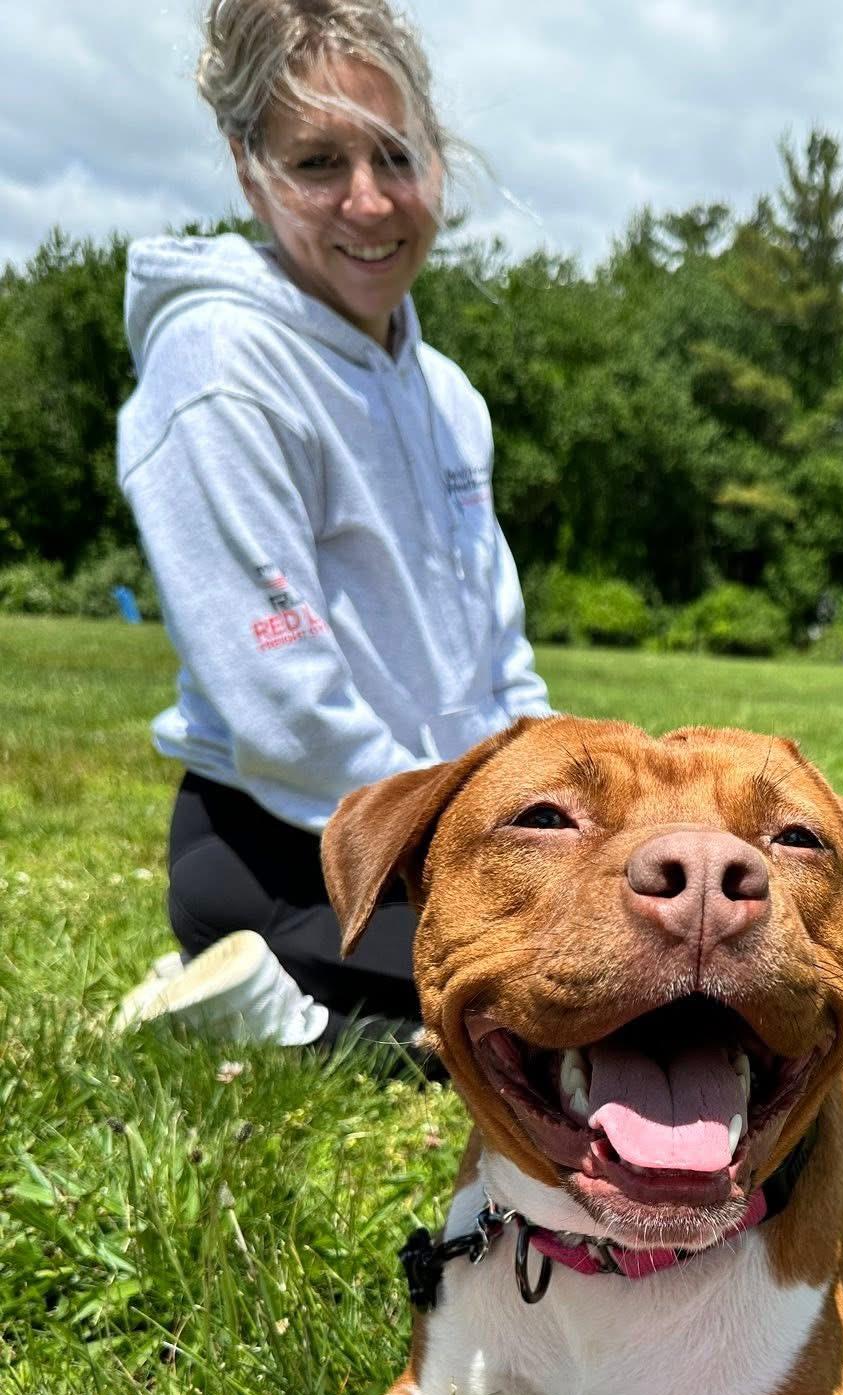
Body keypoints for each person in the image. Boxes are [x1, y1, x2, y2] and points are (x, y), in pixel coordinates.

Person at [114, 0, 550, 1055]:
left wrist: (557, 804)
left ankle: (325, 1012)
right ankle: (261, 1010)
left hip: (451, 834)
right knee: (560, 1014)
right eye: (317, 163)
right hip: (295, 848)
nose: (368, 202)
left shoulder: (446, 393)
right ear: (246, 165)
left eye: (395, 155)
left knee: (652, 958)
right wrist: (465, 860)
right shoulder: (219, 367)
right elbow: (285, 705)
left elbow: (501, 657)